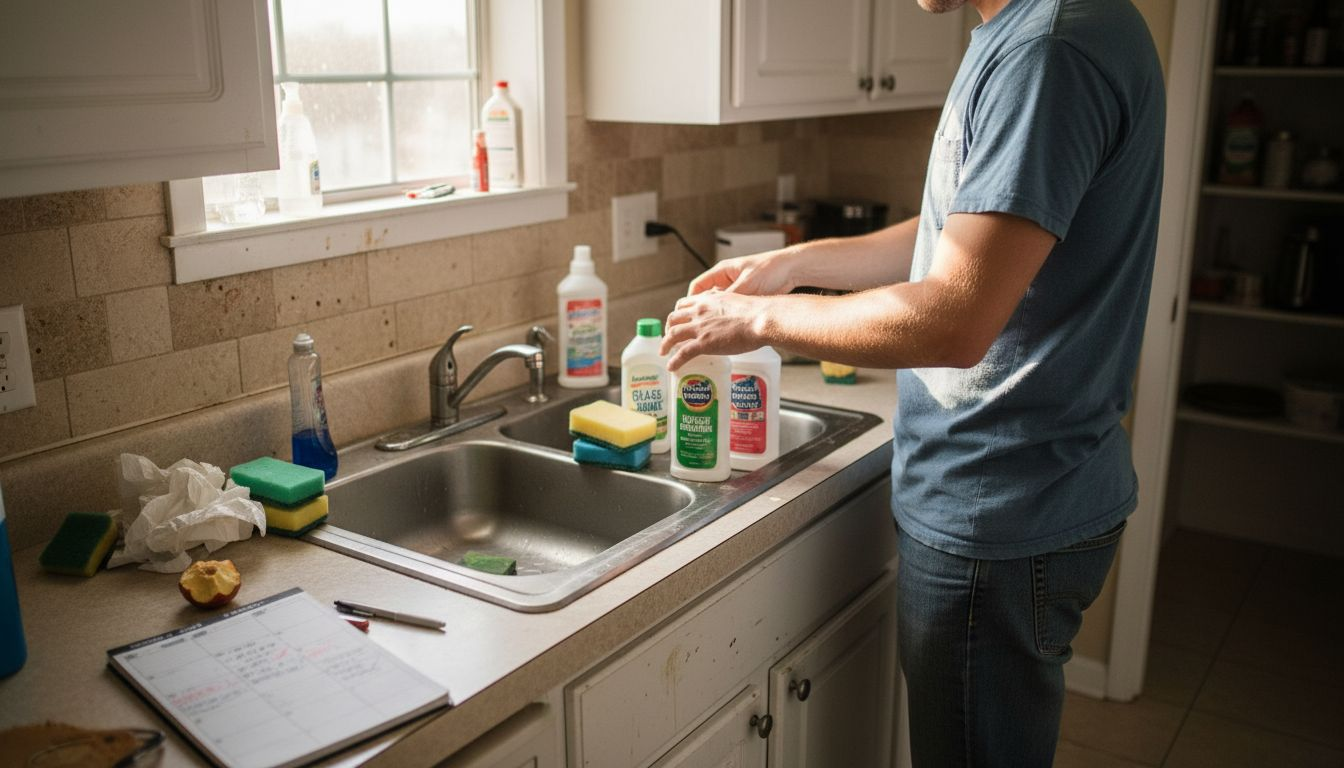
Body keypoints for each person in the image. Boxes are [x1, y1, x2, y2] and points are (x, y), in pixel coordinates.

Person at [658, 0, 1165, 762]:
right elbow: (960, 233)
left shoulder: (1047, 55)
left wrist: (757, 320)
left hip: (997, 508)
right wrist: (794, 266)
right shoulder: (1046, 27)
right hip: (1039, 485)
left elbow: (951, 322)